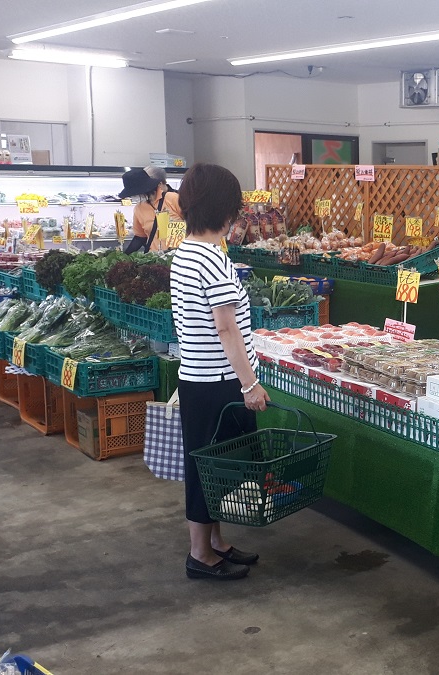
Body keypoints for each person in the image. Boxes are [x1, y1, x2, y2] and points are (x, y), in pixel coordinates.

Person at [171, 162, 269, 581]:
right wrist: (249, 384)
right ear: (225, 212)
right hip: (217, 382)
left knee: (212, 465)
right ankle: (200, 555)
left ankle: (215, 542)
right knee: (209, 466)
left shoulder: (186, 251)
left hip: (197, 377)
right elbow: (226, 327)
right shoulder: (212, 260)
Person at [119, 166, 183, 254]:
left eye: (135, 194)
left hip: (178, 256)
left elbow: (193, 225)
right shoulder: (139, 208)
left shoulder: (172, 198)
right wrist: (125, 256)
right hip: (155, 258)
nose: (134, 197)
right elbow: (140, 237)